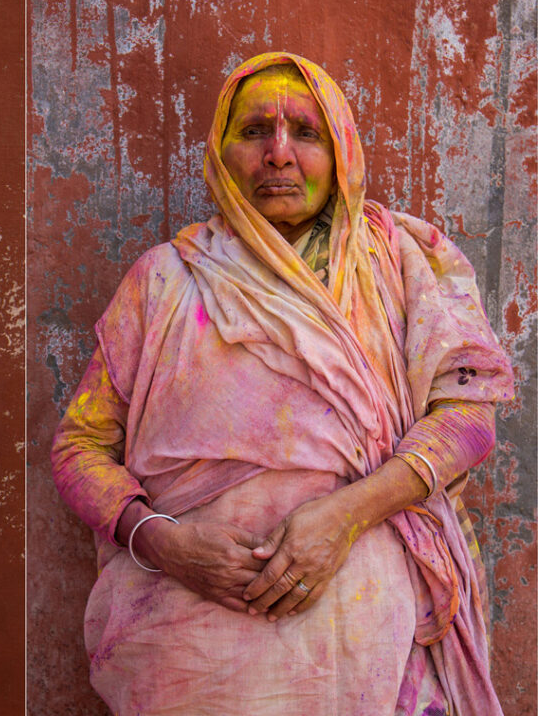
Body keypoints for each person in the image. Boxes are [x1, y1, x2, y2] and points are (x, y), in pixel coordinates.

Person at [51, 52, 513, 715]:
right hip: (191, 655)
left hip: (371, 651)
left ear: (341, 148)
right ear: (220, 151)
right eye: (253, 132)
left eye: (305, 132)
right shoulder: (162, 282)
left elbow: (469, 413)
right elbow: (77, 450)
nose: (278, 153)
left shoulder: (401, 262)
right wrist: (161, 541)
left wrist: (347, 516)